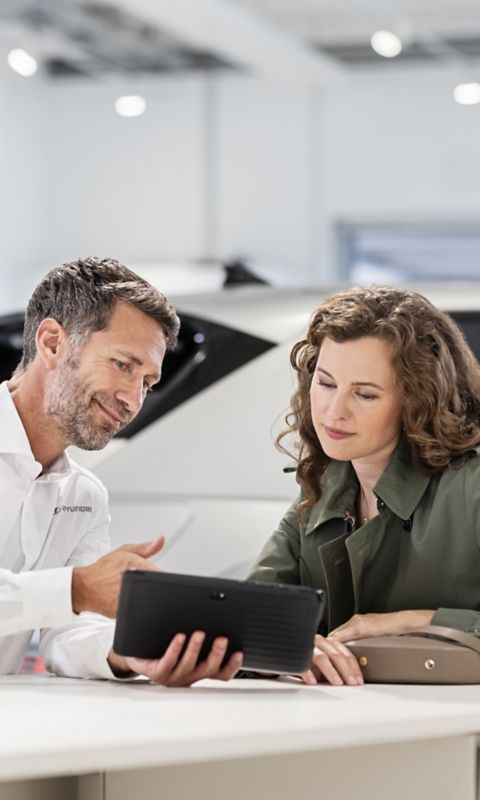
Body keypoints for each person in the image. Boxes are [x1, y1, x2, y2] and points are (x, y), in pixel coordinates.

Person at [1, 257, 242, 685]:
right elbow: (73, 596)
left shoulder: (85, 497)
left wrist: (129, 653)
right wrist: (78, 588)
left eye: (148, 383)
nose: (133, 399)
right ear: (53, 343)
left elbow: (66, 635)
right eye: (123, 365)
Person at [248, 285, 480, 686]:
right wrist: (288, 641)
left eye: (366, 394)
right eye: (325, 384)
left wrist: (416, 622)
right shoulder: (323, 487)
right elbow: (249, 613)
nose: (335, 412)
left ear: (418, 401)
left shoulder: (471, 486)